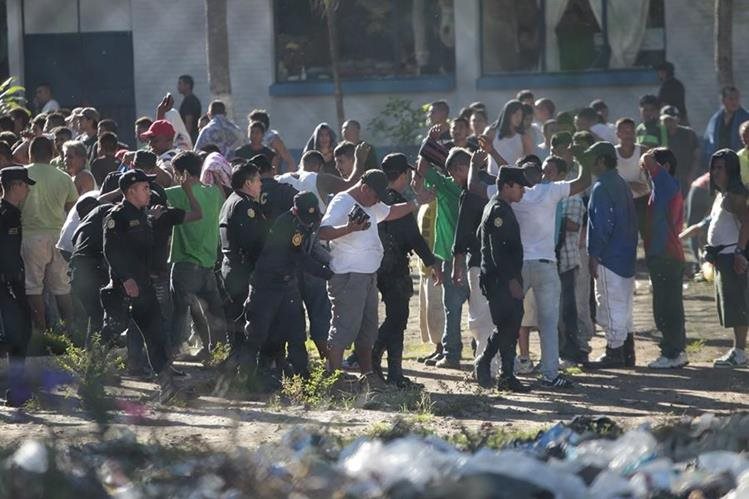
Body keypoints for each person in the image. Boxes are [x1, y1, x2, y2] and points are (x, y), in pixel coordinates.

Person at [318, 169, 423, 388]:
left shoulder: (371, 202)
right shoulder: (343, 201)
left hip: (366, 275)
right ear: (365, 188)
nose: (377, 201)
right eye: (375, 196)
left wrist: (415, 202)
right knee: (344, 327)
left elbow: (390, 212)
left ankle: (367, 375)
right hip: (348, 276)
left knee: (368, 330)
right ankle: (333, 378)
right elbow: (323, 231)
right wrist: (349, 228)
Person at [239, 192, 333, 382]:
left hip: (288, 284)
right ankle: (247, 378)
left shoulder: (305, 222)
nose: (309, 221)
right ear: (296, 211)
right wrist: (325, 272)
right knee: (257, 332)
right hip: (267, 285)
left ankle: (301, 376)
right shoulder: (288, 224)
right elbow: (298, 256)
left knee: (297, 332)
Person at [102, 169, 176, 401]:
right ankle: (90, 379)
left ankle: (167, 385)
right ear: (131, 191)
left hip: (144, 285)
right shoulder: (118, 216)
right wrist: (126, 279)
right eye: (145, 188)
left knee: (156, 334)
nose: (149, 192)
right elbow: (111, 251)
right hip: (124, 288)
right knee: (110, 334)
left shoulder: (143, 215)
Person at [373, 153, 442, 388]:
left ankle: (394, 373)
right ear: (403, 174)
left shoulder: (379, 198)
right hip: (394, 268)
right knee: (398, 319)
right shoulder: (399, 202)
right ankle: (375, 357)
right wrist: (432, 262)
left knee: (396, 318)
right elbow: (414, 237)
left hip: (379, 265)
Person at [473, 165, 532, 392]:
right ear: (507, 186)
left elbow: (481, 235)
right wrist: (511, 281)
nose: (523, 191)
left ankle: (506, 375)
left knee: (510, 325)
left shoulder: (496, 206)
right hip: (501, 280)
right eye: (520, 187)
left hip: (499, 278)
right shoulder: (499, 210)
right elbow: (498, 250)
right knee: (508, 324)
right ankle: (486, 361)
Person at [415, 143, 471, 369]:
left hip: (454, 256)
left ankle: (452, 354)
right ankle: (475, 353)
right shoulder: (479, 188)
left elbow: (421, 168)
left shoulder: (447, 186)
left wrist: (429, 141)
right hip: (469, 257)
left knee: (453, 309)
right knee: (471, 309)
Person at [167, 151, 226, 356]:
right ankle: (216, 352)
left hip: (184, 264)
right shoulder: (214, 193)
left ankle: (172, 354)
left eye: (175, 173)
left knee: (180, 312)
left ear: (183, 173)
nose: (175, 178)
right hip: (208, 264)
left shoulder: (177, 193)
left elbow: (151, 197)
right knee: (211, 311)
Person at [585, 142, 638, 368]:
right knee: (624, 306)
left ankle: (614, 352)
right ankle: (627, 352)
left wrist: (594, 254)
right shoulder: (621, 183)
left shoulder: (602, 186)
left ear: (601, 160)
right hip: (625, 255)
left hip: (609, 257)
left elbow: (602, 225)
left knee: (609, 305)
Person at [21, 136, 78, 332]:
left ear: (30, 153)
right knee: (63, 287)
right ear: (52, 154)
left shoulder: (22, 175)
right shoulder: (64, 177)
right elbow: (73, 210)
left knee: (33, 287)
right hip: (59, 237)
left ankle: (41, 330)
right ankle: (70, 328)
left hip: (30, 237)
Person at [641, 148, 688, 368]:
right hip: (666, 255)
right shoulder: (664, 186)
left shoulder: (665, 183)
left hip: (666, 255)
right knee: (669, 306)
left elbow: (647, 159)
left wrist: (646, 155)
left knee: (666, 308)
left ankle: (672, 353)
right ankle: (676, 351)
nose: (646, 171)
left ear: (665, 167)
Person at [453, 150, 498, 376]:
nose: (454, 180)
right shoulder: (498, 186)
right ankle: (501, 366)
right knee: (499, 316)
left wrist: (457, 265)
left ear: (461, 169)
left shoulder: (469, 194)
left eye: (453, 175)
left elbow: (462, 232)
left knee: (480, 317)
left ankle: (484, 367)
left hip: (479, 262)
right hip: (504, 262)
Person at [544, 156, 587, 364]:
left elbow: (574, 226)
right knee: (552, 310)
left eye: (549, 172)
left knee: (567, 309)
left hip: (567, 260)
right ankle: (558, 351)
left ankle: (571, 351)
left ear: (562, 175)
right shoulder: (544, 194)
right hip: (549, 260)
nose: (545, 176)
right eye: (544, 171)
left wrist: (553, 212)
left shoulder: (573, 197)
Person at [219, 162, 266, 350]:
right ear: (248, 183)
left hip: (232, 266)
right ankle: (242, 360)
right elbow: (251, 242)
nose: (261, 184)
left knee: (236, 316)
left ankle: (237, 357)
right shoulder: (244, 206)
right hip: (242, 269)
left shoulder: (232, 200)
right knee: (243, 317)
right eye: (258, 180)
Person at [708, 149, 748, 368]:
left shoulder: (735, 194)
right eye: (714, 168)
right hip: (721, 256)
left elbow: (747, 222)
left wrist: (740, 253)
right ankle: (737, 349)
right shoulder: (721, 194)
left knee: (737, 304)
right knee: (730, 305)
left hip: (733, 256)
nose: (715, 172)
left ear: (731, 170)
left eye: (720, 168)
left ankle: (740, 351)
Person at [0, 167, 35, 406]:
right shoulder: (8, 215)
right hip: (8, 283)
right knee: (19, 334)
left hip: (9, 282)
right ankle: (16, 390)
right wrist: (12, 283)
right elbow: (7, 254)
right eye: (24, 185)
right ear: (14, 186)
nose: (27, 190)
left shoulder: (9, 212)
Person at [616, 118, 651, 242]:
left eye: (631, 131)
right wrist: (629, 185)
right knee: (625, 238)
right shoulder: (612, 153)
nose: (628, 135)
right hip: (621, 201)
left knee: (648, 236)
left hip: (643, 200)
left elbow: (652, 176)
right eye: (625, 132)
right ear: (618, 134)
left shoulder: (643, 151)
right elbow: (608, 179)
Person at [660, 106, 701, 196]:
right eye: (665, 120)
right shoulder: (659, 135)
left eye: (671, 120)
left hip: (685, 177)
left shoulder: (689, 134)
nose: (668, 123)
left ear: (678, 119)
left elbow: (697, 156)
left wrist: (691, 175)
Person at [485, 100, 533, 175]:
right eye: (516, 114)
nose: (519, 118)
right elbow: (483, 155)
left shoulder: (524, 137)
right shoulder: (491, 132)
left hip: (514, 179)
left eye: (521, 115)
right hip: (492, 177)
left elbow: (529, 161)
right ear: (508, 114)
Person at [704, 86, 749, 162]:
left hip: (740, 160)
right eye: (731, 99)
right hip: (720, 160)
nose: (734, 102)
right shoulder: (716, 119)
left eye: (736, 98)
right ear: (723, 100)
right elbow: (708, 141)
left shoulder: (746, 118)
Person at [178, 75, 201, 143]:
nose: (178, 86)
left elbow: (189, 123)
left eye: (180, 83)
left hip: (191, 137)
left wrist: (185, 140)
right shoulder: (192, 99)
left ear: (187, 85)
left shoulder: (189, 101)